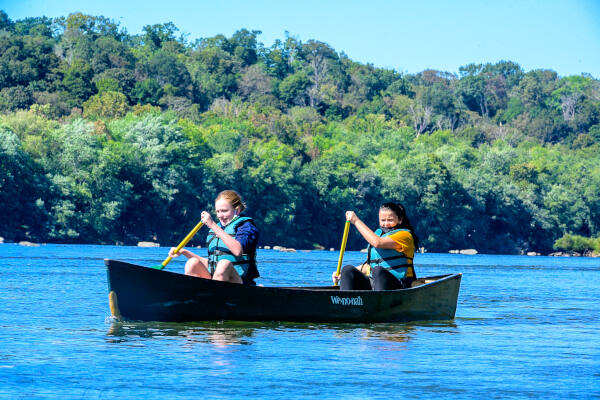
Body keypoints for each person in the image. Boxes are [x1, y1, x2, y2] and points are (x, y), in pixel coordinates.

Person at [168, 190, 259, 285]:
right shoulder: (216, 228)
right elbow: (211, 264)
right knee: (192, 263)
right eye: (218, 211)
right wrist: (184, 252)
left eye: (224, 211)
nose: (220, 215)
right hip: (217, 280)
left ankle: (213, 295)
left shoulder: (245, 226)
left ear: (237, 210)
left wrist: (212, 224)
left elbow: (237, 250)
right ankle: (195, 296)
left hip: (240, 283)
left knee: (224, 264)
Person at [332, 202, 419, 291]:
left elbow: (377, 242)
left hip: (399, 285)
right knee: (347, 270)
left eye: (390, 220)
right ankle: (346, 301)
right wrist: (341, 275)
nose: (386, 224)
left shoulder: (404, 235)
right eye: (383, 220)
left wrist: (356, 221)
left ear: (400, 220)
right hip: (375, 284)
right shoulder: (378, 235)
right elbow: (368, 267)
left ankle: (379, 302)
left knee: (378, 271)